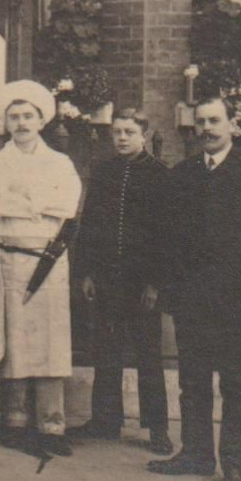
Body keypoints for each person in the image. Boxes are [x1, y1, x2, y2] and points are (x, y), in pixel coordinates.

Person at [149, 97, 241, 481]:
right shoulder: (184, 175)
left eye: (216, 120)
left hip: (237, 299)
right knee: (192, 381)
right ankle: (195, 452)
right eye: (201, 122)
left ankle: (233, 464)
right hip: (192, 299)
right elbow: (170, 240)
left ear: (232, 124)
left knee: (234, 383)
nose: (208, 128)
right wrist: (168, 288)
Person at [0, 80, 84, 457]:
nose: (20, 123)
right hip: (11, 259)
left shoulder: (60, 163)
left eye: (28, 116)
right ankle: (15, 421)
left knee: (51, 343)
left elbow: (66, 206)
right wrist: (39, 203)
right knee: (15, 342)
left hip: (49, 261)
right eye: (14, 116)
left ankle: (52, 425)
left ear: (41, 120)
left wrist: (31, 202)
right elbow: (2, 206)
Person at [71, 107, 175, 455]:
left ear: (144, 134)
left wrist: (155, 284)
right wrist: (85, 271)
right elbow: (90, 226)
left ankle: (157, 428)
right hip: (107, 278)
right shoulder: (103, 172)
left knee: (148, 355)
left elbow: (166, 235)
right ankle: (105, 420)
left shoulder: (160, 175)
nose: (122, 138)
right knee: (106, 350)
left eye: (129, 131)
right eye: (117, 131)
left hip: (142, 282)